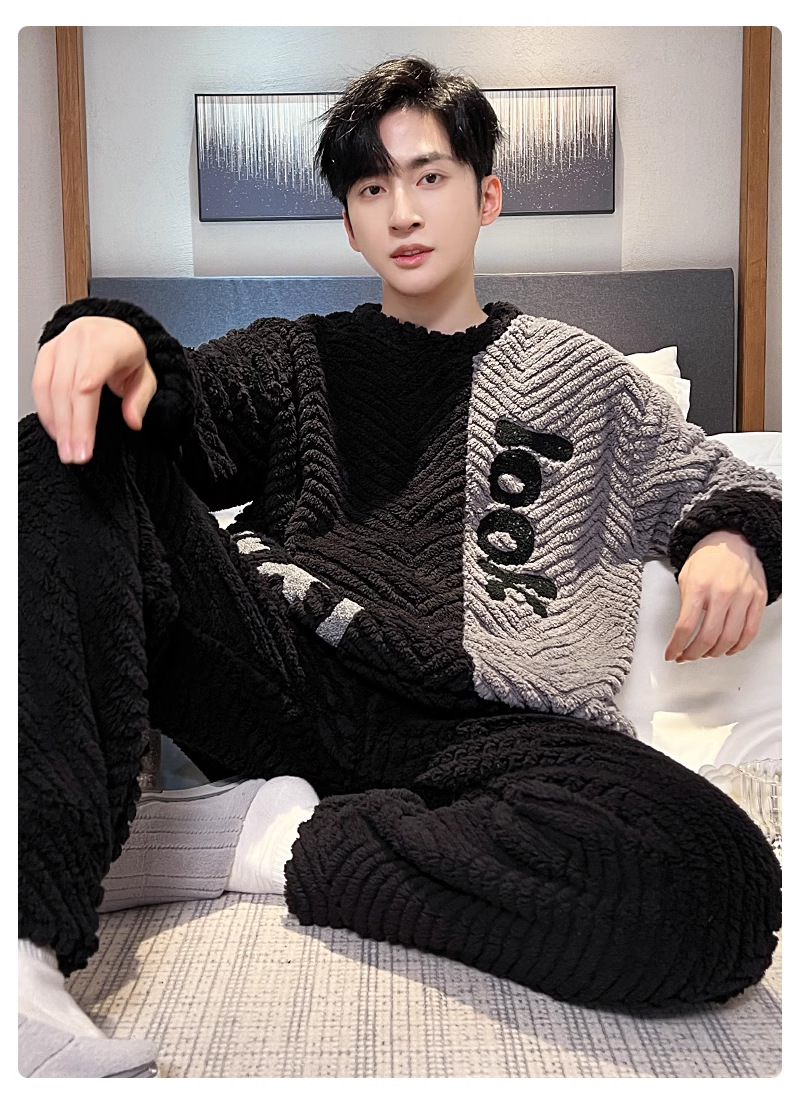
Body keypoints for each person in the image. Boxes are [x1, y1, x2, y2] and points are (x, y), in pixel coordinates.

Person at [19, 56, 781, 1078]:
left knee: (718, 886)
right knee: (66, 441)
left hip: (495, 731)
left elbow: (721, 479)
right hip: (286, 677)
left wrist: (730, 540)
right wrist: (109, 333)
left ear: (486, 195)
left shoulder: (580, 376)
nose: (403, 211)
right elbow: (174, 408)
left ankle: (256, 838)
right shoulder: (296, 357)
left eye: (429, 176)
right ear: (349, 222)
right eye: (372, 188)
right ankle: (28, 940)